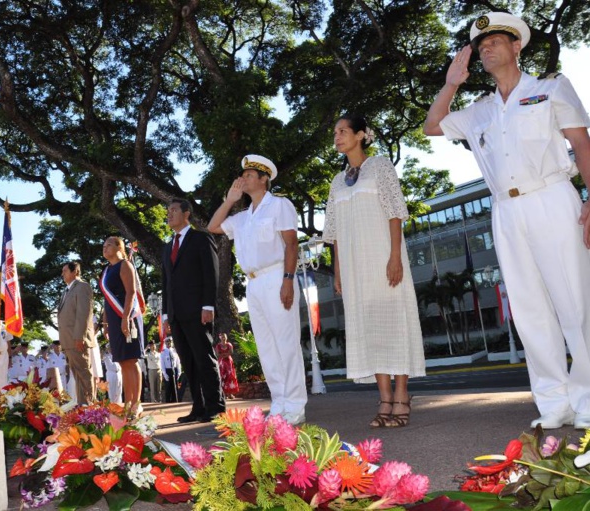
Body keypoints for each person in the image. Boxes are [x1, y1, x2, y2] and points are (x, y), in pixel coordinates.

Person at [423, 12, 590, 430]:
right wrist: (450, 84)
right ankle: (554, 403)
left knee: (576, 303)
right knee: (530, 310)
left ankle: (587, 400)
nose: (486, 49)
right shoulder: (479, 111)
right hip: (506, 211)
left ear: (517, 47)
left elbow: (581, 144)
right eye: (481, 46)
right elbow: (431, 127)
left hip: (551, 197)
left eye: (495, 41)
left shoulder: (550, 88)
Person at [322, 114, 426, 428]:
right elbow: (335, 233)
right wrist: (338, 273)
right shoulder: (337, 181)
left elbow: (395, 213)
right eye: (335, 132)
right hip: (354, 269)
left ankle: (402, 397)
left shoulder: (380, 166)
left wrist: (395, 256)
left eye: (343, 131)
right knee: (370, 328)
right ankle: (383, 399)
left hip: (383, 257)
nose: (337, 136)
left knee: (395, 323)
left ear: (361, 135)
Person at [208, 154, 307, 425]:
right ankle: (279, 403)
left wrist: (288, 279)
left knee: (286, 343)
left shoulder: (279, 205)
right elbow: (213, 226)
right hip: (253, 283)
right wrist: (229, 199)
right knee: (266, 346)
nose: (244, 178)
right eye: (244, 175)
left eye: (250, 175)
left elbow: (291, 244)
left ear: (264, 179)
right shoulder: (242, 217)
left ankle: (295, 404)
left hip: (277, 275)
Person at [162, 198, 226, 423]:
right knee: (188, 362)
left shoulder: (201, 238)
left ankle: (215, 406)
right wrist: (165, 315)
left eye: (174, 210)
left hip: (198, 311)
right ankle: (198, 407)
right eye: (167, 211)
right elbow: (165, 283)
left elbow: (211, 273)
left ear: (186, 214)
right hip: (176, 314)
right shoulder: (168, 245)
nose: (169, 214)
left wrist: (208, 305)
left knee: (204, 359)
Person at [99, 236, 144, 414]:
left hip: (127, 316)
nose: (105, 248)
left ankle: (136, 402)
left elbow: (131, 292)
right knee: (123, 361)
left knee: (131, 359)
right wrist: (105, 321)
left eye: (108, 245)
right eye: (103, 246)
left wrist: (125, 318)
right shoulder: (106, 271)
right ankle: (128, 402)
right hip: (113, 317)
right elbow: (106, 299)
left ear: (119, 247)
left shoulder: (125, 264)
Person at [57, 261, 98, 404]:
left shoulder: (82, 287)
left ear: (75, 272)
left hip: (77, 340)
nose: (62, 274)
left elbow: (84, 314)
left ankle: (91, 408)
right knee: (77, 376)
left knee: (84, 373)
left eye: (65, 271)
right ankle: (83, 407)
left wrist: (79, 337)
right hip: (68, 340)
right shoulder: (66, 290)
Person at [216, 332, 240, 399]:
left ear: (226, 337)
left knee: (230, 376)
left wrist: (225, 354)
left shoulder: (229, 344)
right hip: (222, 363)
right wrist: (223, 355)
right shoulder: (218, 346)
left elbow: (231, 352)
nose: (223, 338)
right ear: (220, 338)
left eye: (224, 337)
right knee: (222, 377)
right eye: (222, 337)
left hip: (229, 362)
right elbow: (217, 354)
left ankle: (230, 394)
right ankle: (224, 394)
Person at [161, 338, 180, 403]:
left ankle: (175, 401)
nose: (169, 343)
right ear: (165, 343)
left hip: (174, 369)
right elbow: (162, 364)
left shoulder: (175, 351)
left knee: (175, 388)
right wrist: (164, 374)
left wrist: (179, 372)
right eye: (167, 342)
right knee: (168, 388)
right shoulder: (163, 352)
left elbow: (178, 362)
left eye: (170, 342)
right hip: (167, 370)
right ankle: (168, 402)